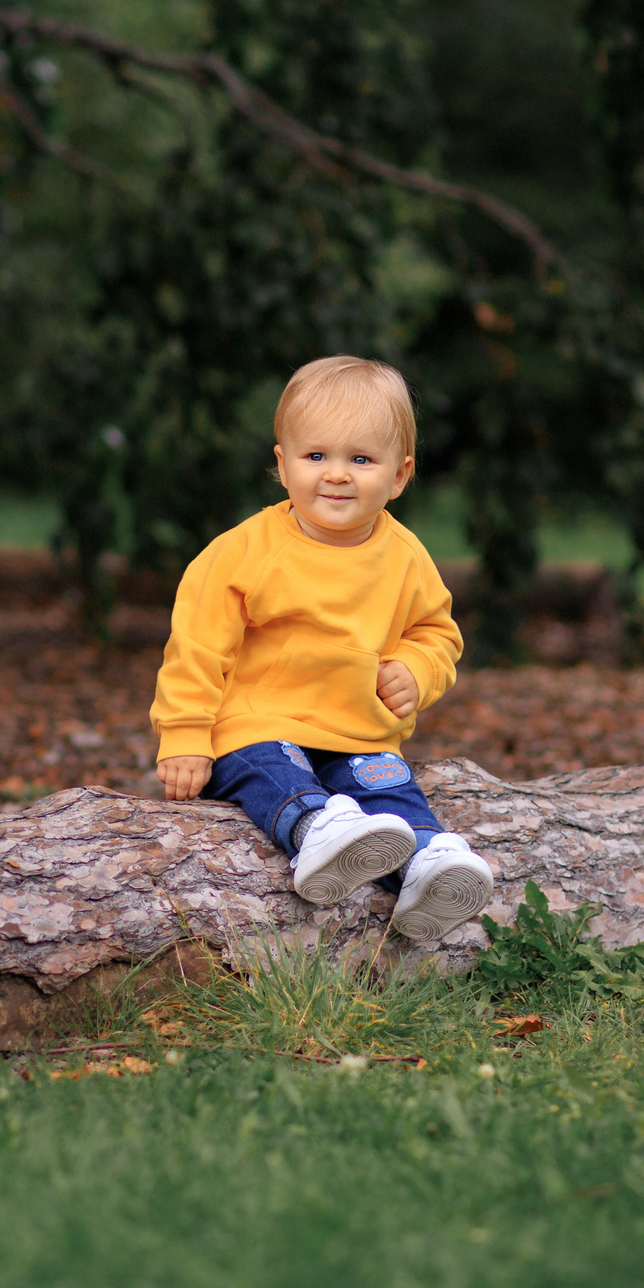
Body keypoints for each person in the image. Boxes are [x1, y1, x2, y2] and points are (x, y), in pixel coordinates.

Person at [150, 355, 496, 941]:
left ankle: (428, 865)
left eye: (360, 459)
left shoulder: (406, 555)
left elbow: (437, 634)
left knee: (387, 788)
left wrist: (416, 668)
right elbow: (198, 648)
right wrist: (184, 735)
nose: (336, 474)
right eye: (316, 457)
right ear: (283, 466)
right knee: (269, 768)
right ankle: (315, 828)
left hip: (357, 730)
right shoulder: (245, 551)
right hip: (256, 724)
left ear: (399, 475)